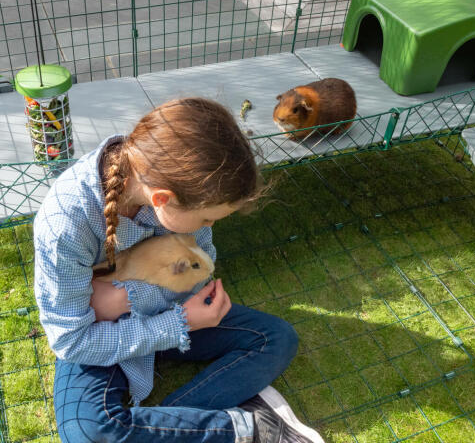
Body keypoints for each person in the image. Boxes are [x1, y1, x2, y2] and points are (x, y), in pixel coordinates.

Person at [34, 97, 325, 443]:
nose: (207, 227)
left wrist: (124, 301)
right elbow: (71, 340)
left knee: (276, 339)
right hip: (101, 336)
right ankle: (247, 429)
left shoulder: (177, 182)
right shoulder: (65, 223)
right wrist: (178, 323)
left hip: (156, 313)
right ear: (162, 199)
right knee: (88, 432)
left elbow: (194, 276)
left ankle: (160, 432)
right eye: (206, 219)